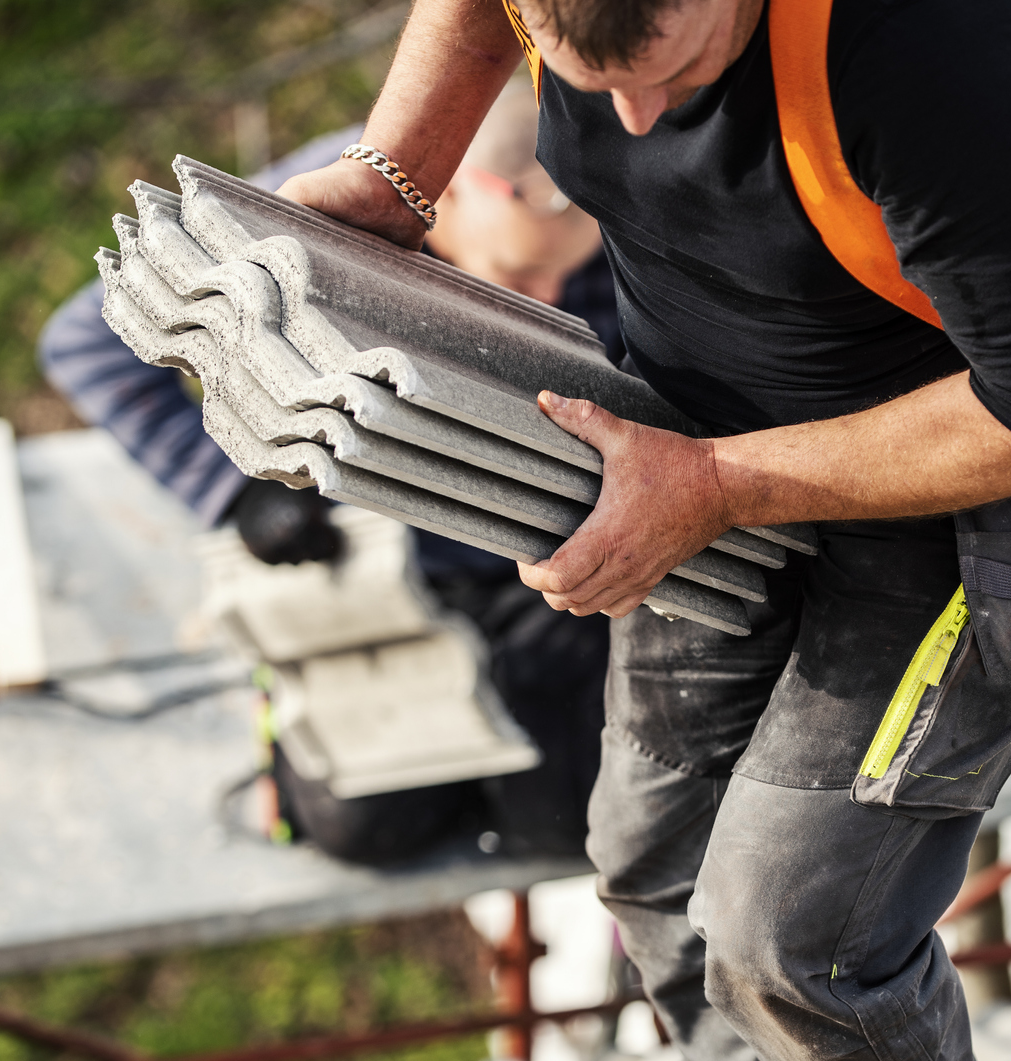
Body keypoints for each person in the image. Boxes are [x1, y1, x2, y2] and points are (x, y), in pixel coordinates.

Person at [277, 0, 1011, 1061]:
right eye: (590, 82)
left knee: (791, 923)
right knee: (649, 846)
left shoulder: (925, 46)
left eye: (672, 75)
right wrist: (397, 172)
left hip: (969, 456)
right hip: (705, 423)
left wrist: (715, 487)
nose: (634, 124)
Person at [39, 84, 617, 863]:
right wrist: (232, 489)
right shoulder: (321, 211)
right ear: (447, 192)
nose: (548, 301)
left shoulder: (622, 215)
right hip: (374, 558)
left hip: (540, 563)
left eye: (563, 277)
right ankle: (299, 711)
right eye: (520, 273)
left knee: (558, 826)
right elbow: (86, 343)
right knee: (364, 834)